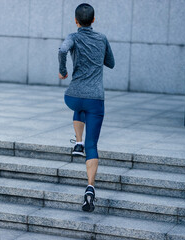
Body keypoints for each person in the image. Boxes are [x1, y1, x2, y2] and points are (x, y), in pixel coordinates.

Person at [58, 3, 115, 212]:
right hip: (95, 99)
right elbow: (111, 63)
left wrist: (63, 70)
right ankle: (90, 188)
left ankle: (77, 143)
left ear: (75, 21)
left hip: (73, 96)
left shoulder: (73, 37)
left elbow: (62, 50)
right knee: (94, 145)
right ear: (93, 20)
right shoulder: (101, 39)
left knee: (79, 105)